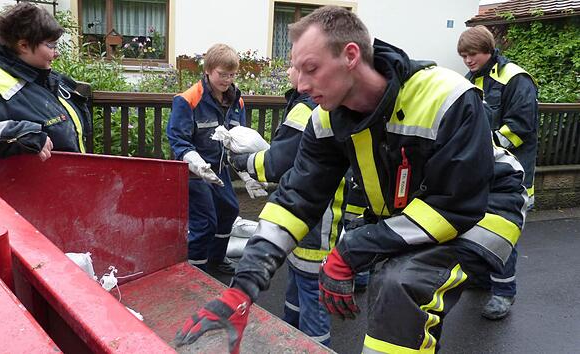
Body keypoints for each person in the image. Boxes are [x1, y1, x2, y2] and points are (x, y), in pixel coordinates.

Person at [175, 7, 527, 354]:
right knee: (401, 303)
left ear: (351, 56)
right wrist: (240, 291)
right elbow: (295, 201)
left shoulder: (445, 95)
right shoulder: (326, 119)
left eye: (310, 68)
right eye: (296, 69)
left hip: (486, 211)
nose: (299, 83)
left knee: (400, 284)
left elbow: (455, 207)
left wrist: (349, 253)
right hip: (417, 214)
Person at [228, 65, 344, 346]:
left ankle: (314, 347)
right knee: (297, 293)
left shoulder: (306, 109)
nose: (289, 70)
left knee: (312, 300)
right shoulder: (311, 104)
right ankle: (290, 340)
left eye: (294, 65)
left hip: (312, 222)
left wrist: (242, 163)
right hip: (311, 220)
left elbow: (280, 161)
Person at [458, 25, 538, 320]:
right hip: (482, 172)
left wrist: (480, 145)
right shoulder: (471, 80)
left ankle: (504, 293)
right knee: (478, 228)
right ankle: (480, 280)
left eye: (472, 54)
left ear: (489, 50)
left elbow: (521, 127)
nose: (467, 60)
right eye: (464, 55)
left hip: (512, 176)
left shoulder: (515, 78)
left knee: (503, 233)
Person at [0, 3, 89, 161]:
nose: (56, 53)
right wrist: (15, 135)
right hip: (17, 184)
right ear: (23, 45)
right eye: (51, 45)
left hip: (61, 180)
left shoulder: (39, 76)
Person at [167, 43, 247, 275]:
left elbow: (238, 138)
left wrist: (247, 172)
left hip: (219, 170)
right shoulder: (188, 99)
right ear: (208, 70)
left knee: (229, 210)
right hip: (194, 172)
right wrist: (197, 163)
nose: (227, 80)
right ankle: (195, 268)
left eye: (232, 75)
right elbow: (178, 140)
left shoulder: (237, 101)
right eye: (222, 74)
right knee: (205, 222)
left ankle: (215, 258)